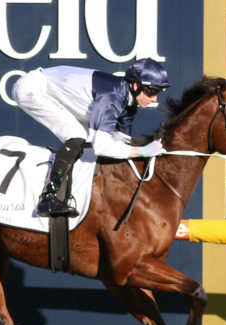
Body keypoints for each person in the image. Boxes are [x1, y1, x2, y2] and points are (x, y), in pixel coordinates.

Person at [11, 57, 170, 216]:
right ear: (136, 86)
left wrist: (146, 148)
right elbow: (102, 147)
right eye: (152, 91)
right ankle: (48, 197)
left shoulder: (129, 107)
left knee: (87, 143)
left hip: (52, 91)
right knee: (77, 136)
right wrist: (143, 151)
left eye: (158, 92)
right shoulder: (112, 97)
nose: (154, 99)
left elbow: (121, 144)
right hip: (31, 89)